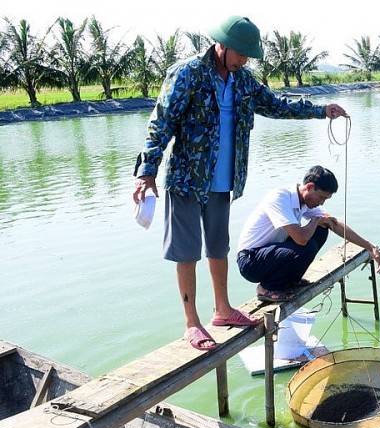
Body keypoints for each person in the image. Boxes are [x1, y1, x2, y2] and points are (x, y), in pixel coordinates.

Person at [131, 15, 349, 351]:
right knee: (186, 251)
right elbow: (161, 123)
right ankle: (192, 323)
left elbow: (276, 106)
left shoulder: (243, 81)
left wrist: (321, 111)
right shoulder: (187, 73)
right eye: (241, 54)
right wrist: (147, 171)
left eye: (248, 55)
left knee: (218, 247)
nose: (244, 60)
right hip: (187, 179)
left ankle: (223, 310)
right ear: (222, 44)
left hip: (224, 180)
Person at [237, 165, 380, 301]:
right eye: (321, 197)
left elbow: (334, 224)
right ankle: (266, 288)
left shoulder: (304, 201)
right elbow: (301, 239)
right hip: (251, 261)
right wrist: (315, 220)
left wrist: (370, 247)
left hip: (270, 254)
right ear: (309, 187)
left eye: (325, 199)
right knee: (307, 243)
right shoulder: (280, 198)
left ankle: (290, 280)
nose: (321, 203)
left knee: (322, 229)